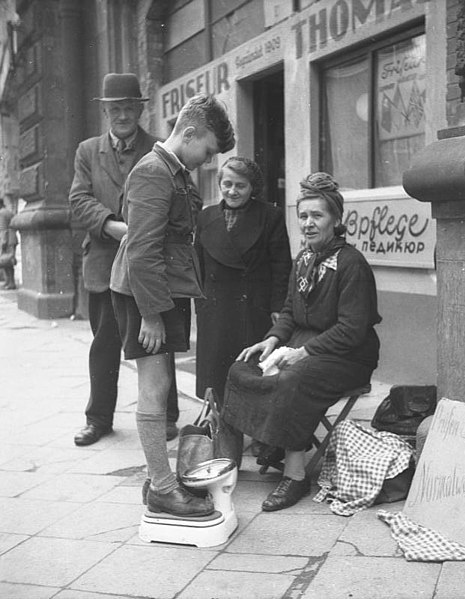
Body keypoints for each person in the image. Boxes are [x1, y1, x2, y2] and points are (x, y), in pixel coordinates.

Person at [218, 171, 382, 512]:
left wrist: (301, 352)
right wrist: (273, 340)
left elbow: (352, 329)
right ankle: (268, 440)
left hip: (349, 355)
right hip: (304, 343)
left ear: (336, 219)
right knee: (240, 367)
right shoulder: (304, 259)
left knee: (293, 379)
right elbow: (291, 311)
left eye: (317, 216)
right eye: (303, 216)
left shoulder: (352, 265)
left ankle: (295, 476)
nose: (308, 223)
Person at [110, 94, 235, 516]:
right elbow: (142, 251)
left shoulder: (173, 171)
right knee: (155, 386)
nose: (209, 159)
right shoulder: (153, 172)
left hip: (161, 291)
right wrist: (152, 314)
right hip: (145, 295)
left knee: (159, 386)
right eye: (209, 150)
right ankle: (163, 488)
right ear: (190, 132)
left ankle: (157, 480)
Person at [69, 73, 181, 447]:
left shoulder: (161, 146)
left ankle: (165, 416)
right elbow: (78, 200)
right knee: (104, 345)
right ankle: (98, 418)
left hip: (150, 265)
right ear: (105, 112)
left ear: (139, 109)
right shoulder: (87, 151)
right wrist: (113, 227)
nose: (122, 115)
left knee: (157, 341)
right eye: (115, 108)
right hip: (104, 264)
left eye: (128, 107)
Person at [194, 156, 291, 403]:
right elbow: (198, 265)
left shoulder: (271, 216)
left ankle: (251, 424)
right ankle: (216, 423)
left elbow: (281, 266)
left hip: (252, 308)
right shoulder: (205, 217)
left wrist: (277, 306)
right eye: (227, 184)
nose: (232, 191)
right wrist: (201, 305)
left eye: (240, 186)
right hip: (215, 308)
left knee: (250, 373)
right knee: (215, 378)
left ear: (252, 188)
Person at [0, 198, 17, 290]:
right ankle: (9, 281)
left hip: (7, 240)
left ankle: (11, 282)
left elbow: (3, 230)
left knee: (7, 261)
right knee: (8, 261)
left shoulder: (1, 213)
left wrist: (3, 242)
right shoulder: (7, 211)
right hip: (12, 238)